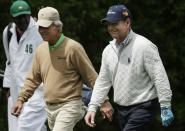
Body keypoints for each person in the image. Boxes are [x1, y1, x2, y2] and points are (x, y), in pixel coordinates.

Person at [11, 6, 113, 131]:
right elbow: (33, 78)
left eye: (46, 27)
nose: (41, 30)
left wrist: (104, 101)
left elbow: (91, 77)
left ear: (57, 26)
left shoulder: (73, 48)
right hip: (49, 108)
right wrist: (20, 100)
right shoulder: (40, 50)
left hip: (70, 106)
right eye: (40, 27)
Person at [85, 4, 174, 131]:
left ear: (127, 23)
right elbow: (103, 82)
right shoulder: (108, 51)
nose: (111, 28)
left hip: (144, 107)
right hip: (122, 110)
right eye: (109, 24)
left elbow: (159, 77)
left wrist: (165, 105)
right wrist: (92, 107)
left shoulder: (144, 46)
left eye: (115, 23)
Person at [2, 1, 47, 131]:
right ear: (13, 18)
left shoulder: (41, 31)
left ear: (30, 15)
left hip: (36, 92)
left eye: (25, 16)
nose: (22, 20)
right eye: (18, 17)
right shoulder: (8, 32)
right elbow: (10, 62)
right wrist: (7, 87)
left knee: (25, 128)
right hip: (15, 92)